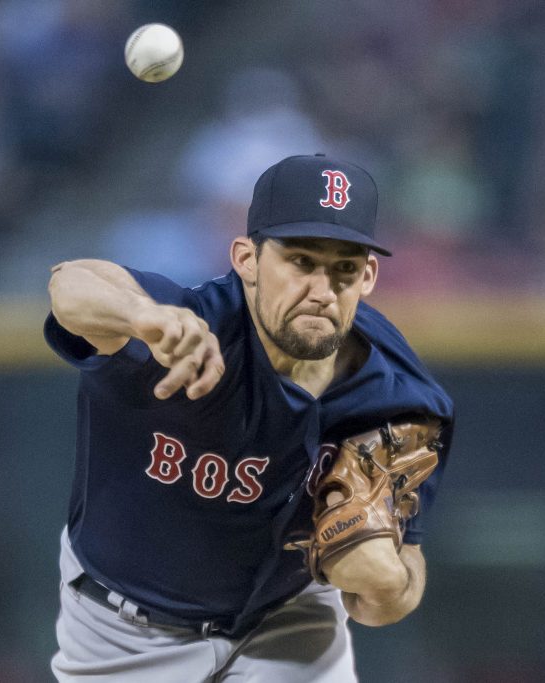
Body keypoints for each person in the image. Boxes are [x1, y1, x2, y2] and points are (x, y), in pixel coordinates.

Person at [44, 153, 455, 682]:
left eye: (344, 269)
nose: (322, 291)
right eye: (301, 261)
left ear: (369, 275)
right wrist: (143, 317)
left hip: (288, 622)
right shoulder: (193, 324)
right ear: (246, 259)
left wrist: (391, 586)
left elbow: (401, 576)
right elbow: (70, 285)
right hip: (125, 631)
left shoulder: (400, 397)